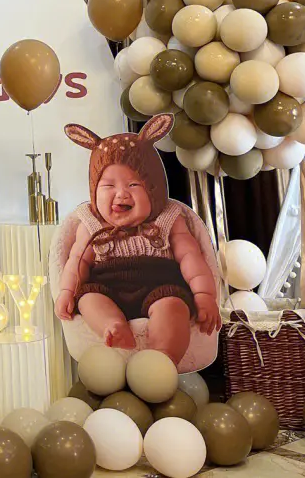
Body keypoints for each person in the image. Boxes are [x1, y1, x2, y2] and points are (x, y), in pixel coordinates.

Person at [55, 114, 220, 365]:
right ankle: (112, 326)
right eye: (108, 186)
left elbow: (191, 257)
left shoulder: (168, 218)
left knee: (174, 306)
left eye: (133, 185)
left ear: (154, 189)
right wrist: (67, 292)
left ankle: (163, 358)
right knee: (88, 299)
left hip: (160, 287)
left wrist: (204, 295)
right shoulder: (90, 223)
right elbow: (77, 261)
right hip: (107, 288)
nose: (121, 194)